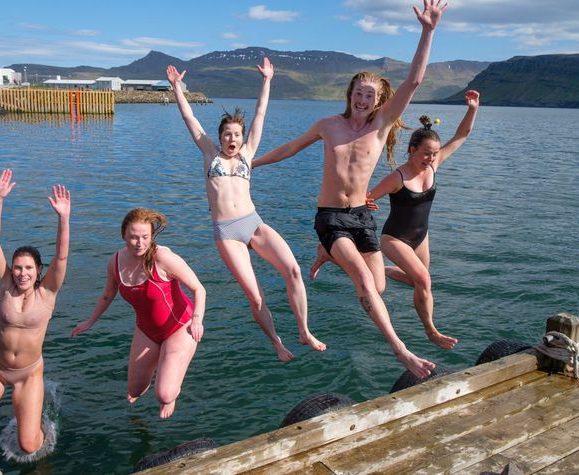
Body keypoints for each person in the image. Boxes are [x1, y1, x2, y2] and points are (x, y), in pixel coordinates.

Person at [253, 0, 448, 378]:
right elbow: (290, 147)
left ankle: (328, 255)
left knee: (377, 286)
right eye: (358, 93)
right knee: (363, 282)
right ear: (349, 94)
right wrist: (254, 163)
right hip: (331, 217)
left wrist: (428, 31)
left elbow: (414, 81)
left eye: (370, 95)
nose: (362, 99)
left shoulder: (382, 125)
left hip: (361, 216)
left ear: (379, 101)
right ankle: (401, 350)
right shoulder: (328, 125)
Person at [165, 57, 325, 363]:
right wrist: (176, 87)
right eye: (227, 134)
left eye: (237, 134)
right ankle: (278, 342)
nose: (232, 139)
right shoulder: (209, 152)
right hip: (227, 233)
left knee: (293, 270)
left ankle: (304, 331)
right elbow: (189, 119)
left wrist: (267, 80)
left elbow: (261, 113)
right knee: (255, 296)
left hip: (253, 223)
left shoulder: (248, 154)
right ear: (220, 136)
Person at [0, 169, 70, 453]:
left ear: (38, 272)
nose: (22, 274)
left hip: (29, 373)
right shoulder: (3, 285)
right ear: (12, 269)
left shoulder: (47, 293)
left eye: (29, 269)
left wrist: (63, 218)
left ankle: (42, 426)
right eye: (18, 267)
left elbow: (61, 255)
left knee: (29, 445)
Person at [364, 90, 480, 350]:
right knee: (424, 281)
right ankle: (431, 330)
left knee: (417, 279)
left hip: (421, 236)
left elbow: (461, 135)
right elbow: (367, 197)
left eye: (435, 153)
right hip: (395, 238)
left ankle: (378, 271)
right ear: (412, 150)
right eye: (426, 153)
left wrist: (472, 109)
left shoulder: (434, 166)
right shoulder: (398, 177)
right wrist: (368, 202)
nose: (431, 158)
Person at [71, 208, 205, 419]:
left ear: (152, 237)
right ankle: (160, 368)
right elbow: (108, 294)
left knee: (164, 394)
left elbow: (199, 289)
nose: (140, 243)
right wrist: (90, 321)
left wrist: (197, 320)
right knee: (135, 391)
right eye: (133, 237)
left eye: (145, 237)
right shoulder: (115, 262)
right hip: (147, 330)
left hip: (180, 326)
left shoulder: (163, 258)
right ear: (123, 234)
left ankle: (172, 390)